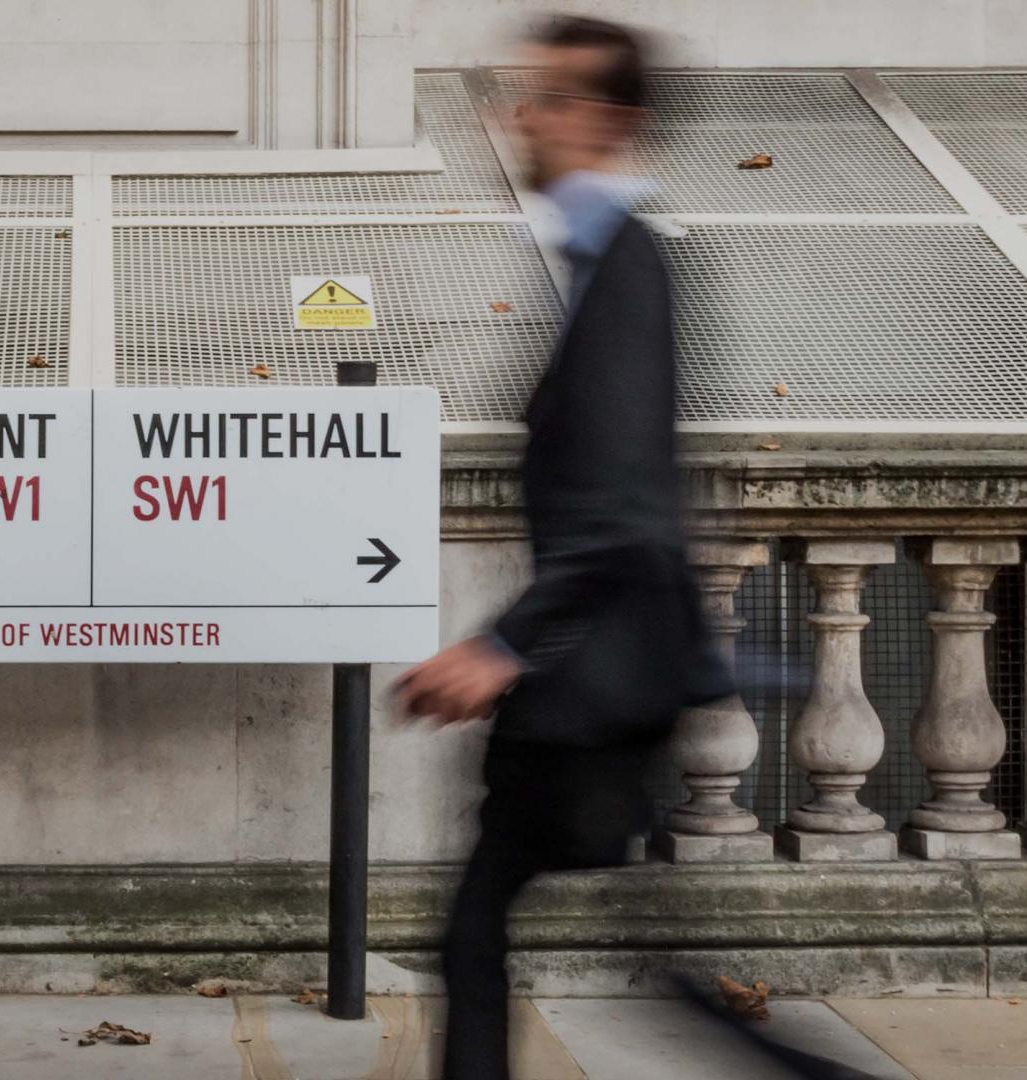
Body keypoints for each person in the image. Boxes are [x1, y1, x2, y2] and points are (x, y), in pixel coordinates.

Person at [393, 16, 731, 1080]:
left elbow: (625, 508)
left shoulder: (625, 263)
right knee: (504, 932)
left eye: (552, 97)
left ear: (614, 122)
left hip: (592, 681)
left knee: (483, 931)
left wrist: (500, 646)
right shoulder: (596, 258)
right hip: (600, 677)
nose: (523, 118)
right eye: (525, 94)